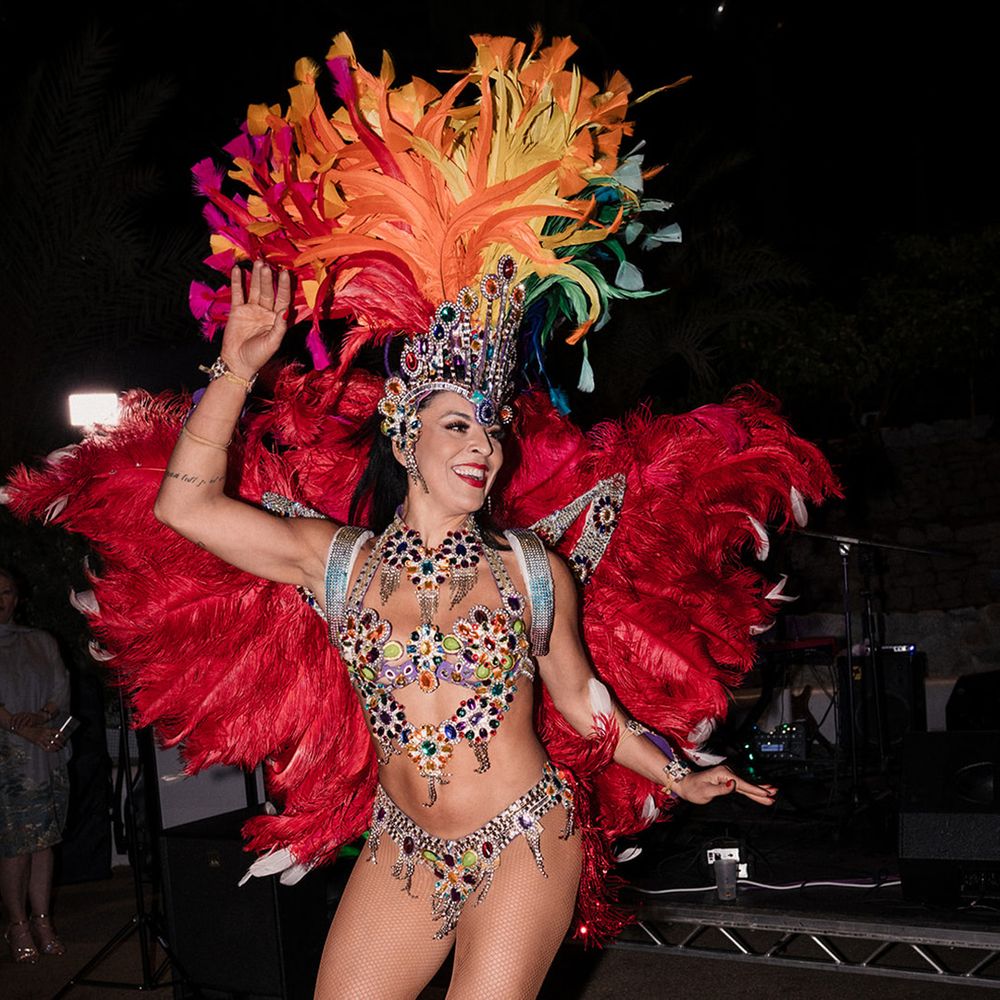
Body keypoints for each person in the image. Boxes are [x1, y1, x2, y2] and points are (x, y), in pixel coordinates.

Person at [153, 261, 776, 998]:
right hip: (402, 844)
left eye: (492, 429)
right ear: (404, 436)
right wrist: (236, 368)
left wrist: (680, 774)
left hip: (526, 834)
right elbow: (183, 508)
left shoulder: (530, 568)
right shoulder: (336, 562)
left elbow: (582, 701)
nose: (484, 446)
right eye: (457, 425)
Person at [0, 568, 71, 963]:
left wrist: (44, 721)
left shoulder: (40, 640)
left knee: (44, 842)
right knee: (14, 846)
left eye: (7, 592)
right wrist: (17, 727)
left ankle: (43, 919)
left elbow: (60, 690)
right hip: (7, 761)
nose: (1, 600)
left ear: (18, 597)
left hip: (46, 751)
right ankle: (17, 923)